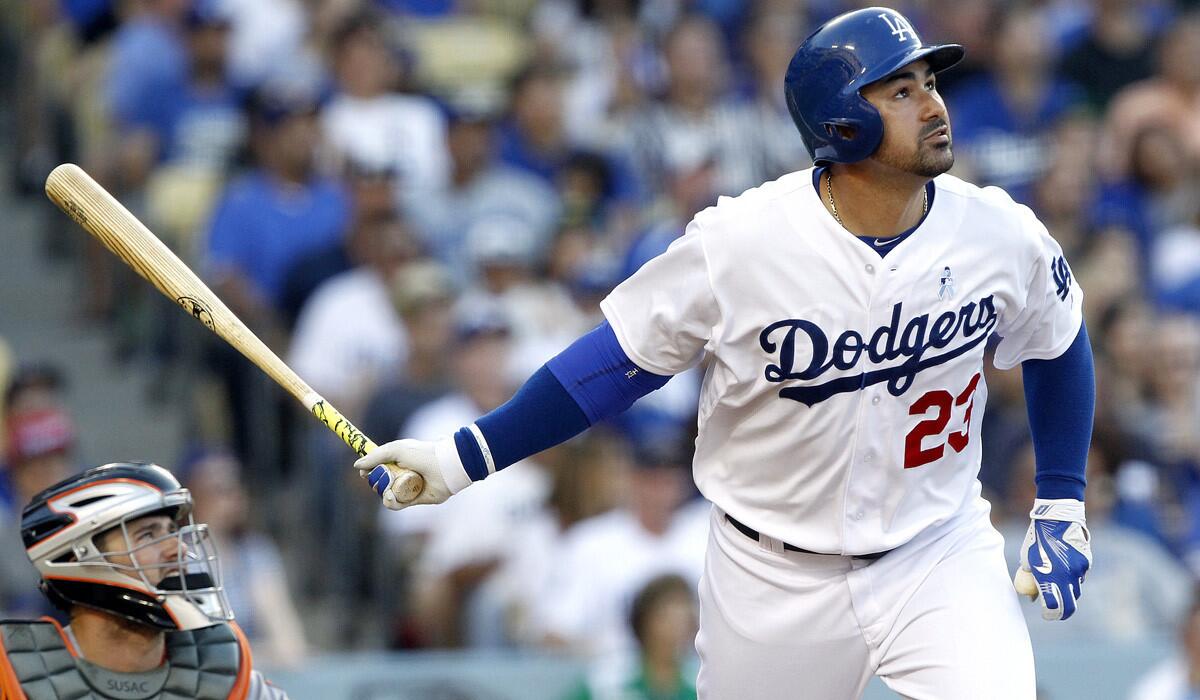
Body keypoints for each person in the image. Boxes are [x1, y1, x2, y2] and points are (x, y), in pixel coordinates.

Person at [356, 8, 1095, 699]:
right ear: (842, 123)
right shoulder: (743, 241)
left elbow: (1059, 343)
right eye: (901, 91)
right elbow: (613, 367)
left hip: (937, 551)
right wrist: (462, 459)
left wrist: (1061, 500)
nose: (934, 106)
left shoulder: (998, 231)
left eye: (930, 84)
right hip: (771, 574)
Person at [0, 462, 287, 699]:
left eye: (172, 531)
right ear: (77, 560)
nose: (179, 548)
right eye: (148, 535)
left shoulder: (225, 675)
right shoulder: (14, 676)